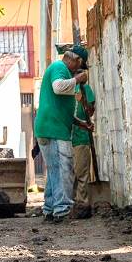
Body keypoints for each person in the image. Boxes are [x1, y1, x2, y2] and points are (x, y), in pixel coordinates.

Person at [33, 45, 90, 223]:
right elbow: (58, 87)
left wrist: (80, 123)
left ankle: (50, 208)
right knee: (65, 168)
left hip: (48, 127)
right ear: (76, 60)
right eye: (79, 67)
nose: (78, 72)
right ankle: (62, 209)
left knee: (54, 169)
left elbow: (60, 108)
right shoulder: (60, 68)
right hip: (54, 130)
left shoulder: (60, 70)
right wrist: (78, 78)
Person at [72, 83, 95, 219]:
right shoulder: (65, 86)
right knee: (69, 174)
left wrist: (83, 101)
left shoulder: (85, 89)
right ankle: (71, 204)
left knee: (82, 173)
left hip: (81, 137)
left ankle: (82, 205)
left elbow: (91, 112)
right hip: (66, 136)